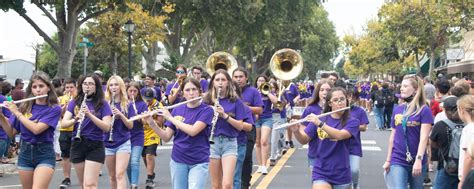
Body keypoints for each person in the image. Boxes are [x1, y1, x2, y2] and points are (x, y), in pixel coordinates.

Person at [146, 77, 214, 189]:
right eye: (187, 90)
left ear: (199, 91)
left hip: (199, 161)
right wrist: (152, 123)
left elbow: (193, 131)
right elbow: (166, 137)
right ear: (183, 93)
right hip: (178, 160)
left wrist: (170, 118)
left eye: (194, 89)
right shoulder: (178, 109)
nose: (191, 93)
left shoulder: (207, 110)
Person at [0, 71, 61, 188]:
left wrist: (16, 112)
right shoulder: (25, 106)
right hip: (25, 153)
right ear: (31, 90)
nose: (38, 90)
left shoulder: (54, 108)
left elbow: (37, 129)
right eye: (34, 87)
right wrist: (1, 116)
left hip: (44, 153)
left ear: (48, 88)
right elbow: (11, 133)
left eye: (41, 86)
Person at [291, 87, 360, 188]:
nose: (340, 102)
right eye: (335, 100)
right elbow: (304, 140)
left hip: (341, 174)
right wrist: (296, 131)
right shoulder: (321, 118)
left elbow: (340, 135)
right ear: (330, 104)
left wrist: (320, 124)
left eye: (342, 99)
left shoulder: (353, 121)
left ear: (347, 100)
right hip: (321, 170)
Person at [60, 74, 113, 188]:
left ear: (96, 87)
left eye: (90, 84)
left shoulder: (103, 103)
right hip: (78, 143)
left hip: (95, 144)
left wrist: (90, 115)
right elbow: (64, 124)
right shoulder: (74, 102)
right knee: (83, 184)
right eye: (85, 84)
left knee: (90, 184)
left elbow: (106, 127)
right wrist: (76, 119)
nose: (87, 86)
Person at [383, 74, 434, 189]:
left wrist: (419, 160)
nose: (401, 88)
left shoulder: (424, 110)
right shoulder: (398, 109)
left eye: (405, 86)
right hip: (398, 159)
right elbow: (393, 136)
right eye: (401, 86)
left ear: (415, 90)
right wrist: (388, 160)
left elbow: (424, 138)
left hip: (417, 159)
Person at [203, 69, 246, 189]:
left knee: (227, 184)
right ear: (213, 83)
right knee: (216, 185)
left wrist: (225, 116)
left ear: (228, 82)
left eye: (223, 80)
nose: (220, 83)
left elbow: (240, 126)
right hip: (212, 143)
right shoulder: (207, 101)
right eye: (217, 80)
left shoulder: (235, 101)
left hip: (230, 143)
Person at [232, 67, 263, 189]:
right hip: (232, 129)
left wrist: (242, 107)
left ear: (246, 78)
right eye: (236, 77)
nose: (238, 79)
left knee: (246, 157)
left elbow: (260, 109)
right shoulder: (228, 91)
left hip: (249, 127)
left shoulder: (253, 91)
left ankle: (245, 184)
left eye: (241, 77)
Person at [104, 75, 135, 189]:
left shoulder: (127, 104)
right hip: (107, 142)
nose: (113, 87)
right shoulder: (104, 104)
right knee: (112, 176)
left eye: (116, 84)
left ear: (121, 86)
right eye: (111, 85)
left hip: (123, 141)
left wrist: (121, 115)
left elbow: (131, 125)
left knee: (119, 174)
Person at [294, 79, 332, 170]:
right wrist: (296, 131)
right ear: (317, 92)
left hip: (333, 155)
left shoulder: (336, 110)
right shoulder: (310, 109)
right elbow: (304, 136)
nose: (325, 93)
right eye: (322, 90)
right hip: (315, 154)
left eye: (328, 90)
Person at [429, 96, 462, 188]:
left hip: (446, 165)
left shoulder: (440, 125)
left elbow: (432, 142)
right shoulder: (468, 124)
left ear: (446, 111)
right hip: (464, 166)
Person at [126, 81, 148, 189]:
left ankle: (134, 184)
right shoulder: (123, 103)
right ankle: (131, 183)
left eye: (135, 91)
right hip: (125, 136)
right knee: (127, 163)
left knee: (135, 160)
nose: (132, 93)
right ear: (126, 91)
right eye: (130, 91)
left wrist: (139, 117)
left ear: (138, 92)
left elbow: (145, 122)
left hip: (138, 135)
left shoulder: (142, 104)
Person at [254, 75, 277, 174]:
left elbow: (276, 102)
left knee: (264, 141)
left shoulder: (268, 92)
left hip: (267, 118)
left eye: (263, 81)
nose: (261, 82)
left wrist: (267, 93)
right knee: (258, 142)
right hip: (256, 119)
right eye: (259, 80)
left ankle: (264, 165)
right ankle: (259, 165)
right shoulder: (254, 92)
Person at [141, 88, 164, 188]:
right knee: (143, 156)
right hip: (142, 133)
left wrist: (149, 120)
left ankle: (149, 178)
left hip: (153, 133)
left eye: (149, 99)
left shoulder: (158, 106)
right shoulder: (142, 105)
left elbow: (160, 122)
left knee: (149, 154)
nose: (147, 101)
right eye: (146, 99)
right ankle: (151, 172)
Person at [348, 90, 369, 189]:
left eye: (353, 97)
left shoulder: (360, 111)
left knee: (354, 170)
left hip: (354, 145)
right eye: (348, 96)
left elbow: (364, 127)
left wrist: (352, 126)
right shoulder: (338, 111)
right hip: (339, 145)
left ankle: (355, 184)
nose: (350, 99)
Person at [58, 78, 77, 188]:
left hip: (76, 129)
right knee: (65, 155)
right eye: (67, 87)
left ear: (76, 87)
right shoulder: (61, 99)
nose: (69, 90)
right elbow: (59, 116)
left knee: (80, 155)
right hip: (65, 130)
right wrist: (63, 109)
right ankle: (66, 178)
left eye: (71, 87)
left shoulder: (79, 99)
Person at [457, 95, 474, 189]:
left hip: (470, 176)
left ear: (462, 110)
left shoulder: (468, 130)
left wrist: (462, 181)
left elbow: (468, 157)